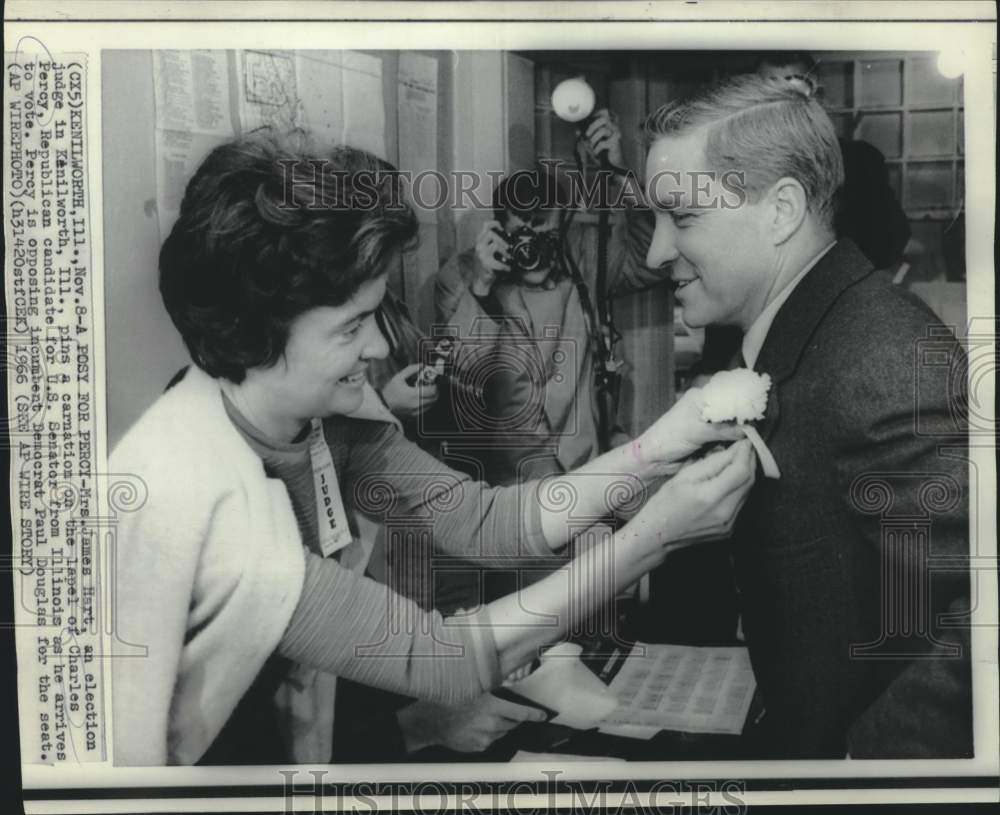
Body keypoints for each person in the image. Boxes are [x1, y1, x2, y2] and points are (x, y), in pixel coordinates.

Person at [109, 130, 756, 765]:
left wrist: (659, 447)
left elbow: (484, 520)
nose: (381, 346)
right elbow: (441, 655)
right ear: (258, 331)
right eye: (351, 327)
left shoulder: (320, 416)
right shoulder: (208, 499)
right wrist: (653, 539)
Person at [642, 74, 971, 758]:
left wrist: (862, 773)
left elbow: (972, 613)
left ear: (780, 210)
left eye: (683, 217)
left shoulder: (883, 354)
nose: (655, 252)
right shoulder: (804, 326)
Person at [434, 110, 659, 487]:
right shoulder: (463, 277)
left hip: (587, 465)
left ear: (564, 227)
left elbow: (653, 261)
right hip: (511, 483)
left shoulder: (582, 258)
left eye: (547, 236)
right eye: (523, 236)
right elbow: (461, 373)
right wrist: (483, 289)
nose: (536, 251)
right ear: (498, 229)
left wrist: (622, 174)